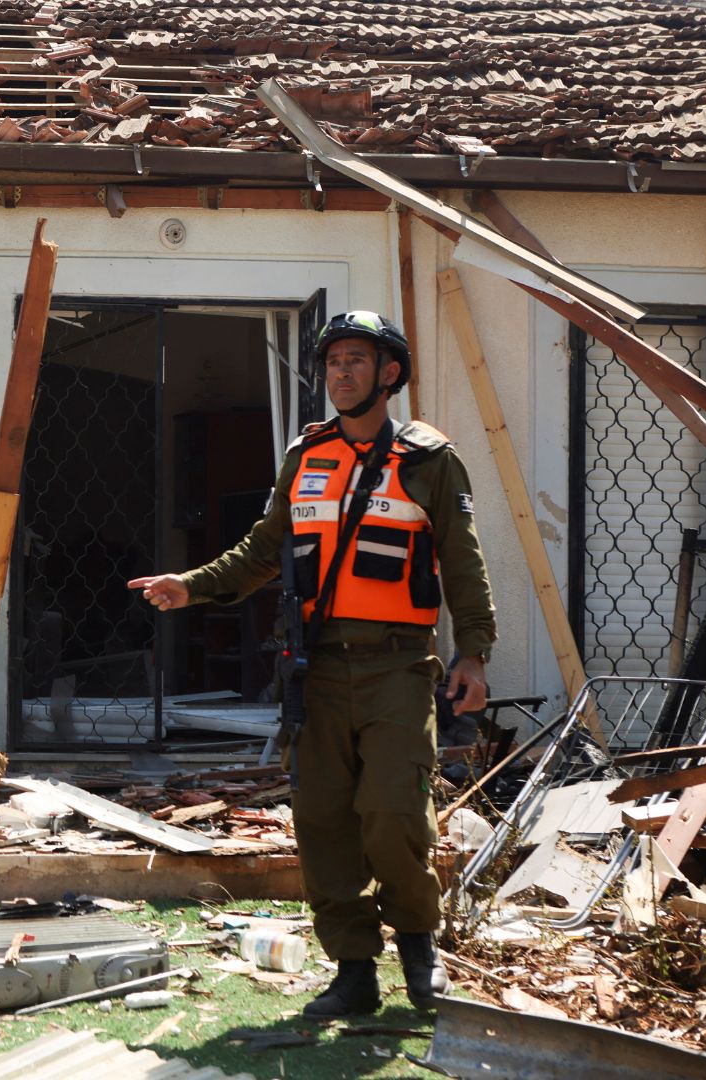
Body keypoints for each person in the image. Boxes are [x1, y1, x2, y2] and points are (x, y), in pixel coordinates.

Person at [126, 311, 495, 1018]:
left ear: (389, 373)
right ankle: (353, 968)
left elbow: (465, 563)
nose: (341, 374)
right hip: (314, 671)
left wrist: (473, 653)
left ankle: (419, 946)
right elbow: (263, 550)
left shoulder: (429, 461)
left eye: (356, 361)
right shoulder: (307, 455)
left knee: (392, 812)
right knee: (322, 822)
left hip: (398, 667)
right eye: (332, 363)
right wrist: (192, 584)